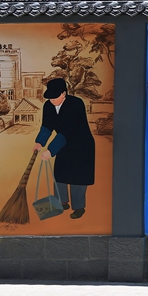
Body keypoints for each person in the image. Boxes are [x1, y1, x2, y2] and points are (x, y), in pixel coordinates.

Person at [33, 78, 95, 219]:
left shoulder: (75, 104)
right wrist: (40, 142)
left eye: (55, 97)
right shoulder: (48, 106)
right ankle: (61, 202)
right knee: (60, 173)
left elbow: (67, 130)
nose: (52, 100)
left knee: (77, 178)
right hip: (63, 144)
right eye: (49, 98)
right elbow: (47, 126)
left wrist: (50, 150)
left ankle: (78, 207)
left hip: (81, 145)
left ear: (63, 94)